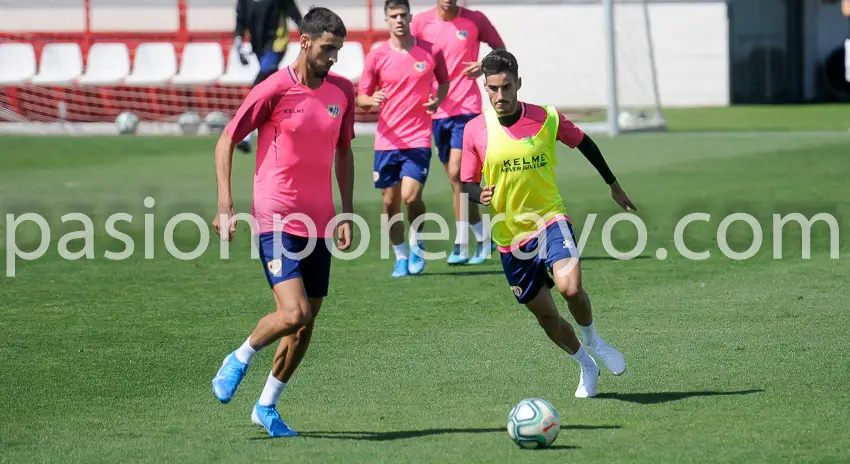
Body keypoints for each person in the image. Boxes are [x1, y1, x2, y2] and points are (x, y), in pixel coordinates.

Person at [210, 7, 356, 437]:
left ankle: (266, 406)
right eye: (328, 49)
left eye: (339, 51)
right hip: (276, 216)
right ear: (306, 41)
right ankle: (239, 356)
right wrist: (225, 203)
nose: (334, 58)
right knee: (293, 312)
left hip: (321, 222)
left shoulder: (342, 92)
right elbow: (227, 139)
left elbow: (344, 152)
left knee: (306, 322)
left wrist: (345, 210)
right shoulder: (272, 88)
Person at [460, 49, 635, 398]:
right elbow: (466, 181)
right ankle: (586, 363)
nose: (499, 96)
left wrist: (612, 183)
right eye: (492, 88)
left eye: (506, 87)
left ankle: (594, 339)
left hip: (550, 221)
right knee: (547, 319)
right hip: (510, 239)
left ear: (518, 84)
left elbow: (584, 142)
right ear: (485, 87)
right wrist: (477, 193)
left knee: (570, 288)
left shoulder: (546, 118)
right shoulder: (475, 130)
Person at [357, 0, 450, 277]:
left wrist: (438, 100)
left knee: (410, 197)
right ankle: (400, 257)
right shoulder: (376, 56)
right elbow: (361, 97)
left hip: (418, 139)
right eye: (393, 16)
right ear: (386, 20)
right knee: (389, 202)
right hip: (386, 141)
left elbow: (444, 81)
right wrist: (370, 99)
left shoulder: (430, 51)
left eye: (403, 15)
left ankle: (417, 244)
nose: (399, 20)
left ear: (410, 17)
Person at [411, 0, 505, 266]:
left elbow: (500, 51)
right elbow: (409, 57)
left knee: (456, 172)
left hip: (467, 109)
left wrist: (484, 65)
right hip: (436, 110)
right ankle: (484, 238)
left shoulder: (475, 20)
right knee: (459, 183)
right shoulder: (420, 23)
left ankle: (461, 245)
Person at [232, 0, 303, 152]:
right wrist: (238, 43)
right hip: (258, 46)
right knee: (270, 90)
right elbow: (241, 18)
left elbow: (294, 13)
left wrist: (305, 32)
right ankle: (283, 131)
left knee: (258, 86)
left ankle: (246, 134)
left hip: (277, 44)